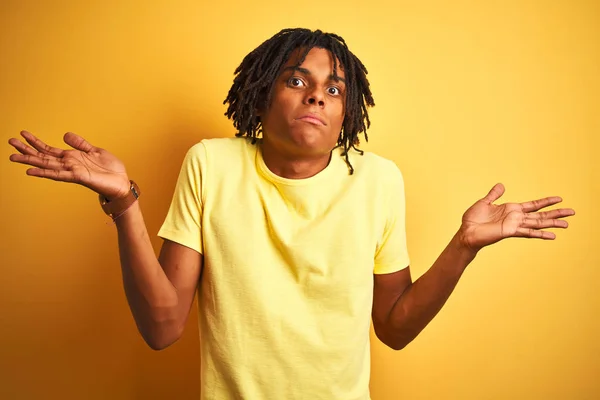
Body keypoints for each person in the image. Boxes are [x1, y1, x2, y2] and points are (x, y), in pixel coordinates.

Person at [8, 28, 575, 399]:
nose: (317, 96)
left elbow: (394, 329)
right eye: (296, 79)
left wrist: (463, 247)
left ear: (348, 111)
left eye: (335, 87)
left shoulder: (378, 180)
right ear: (261, 97)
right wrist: (124, 203)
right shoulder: (211, 164)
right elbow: (162, 328)